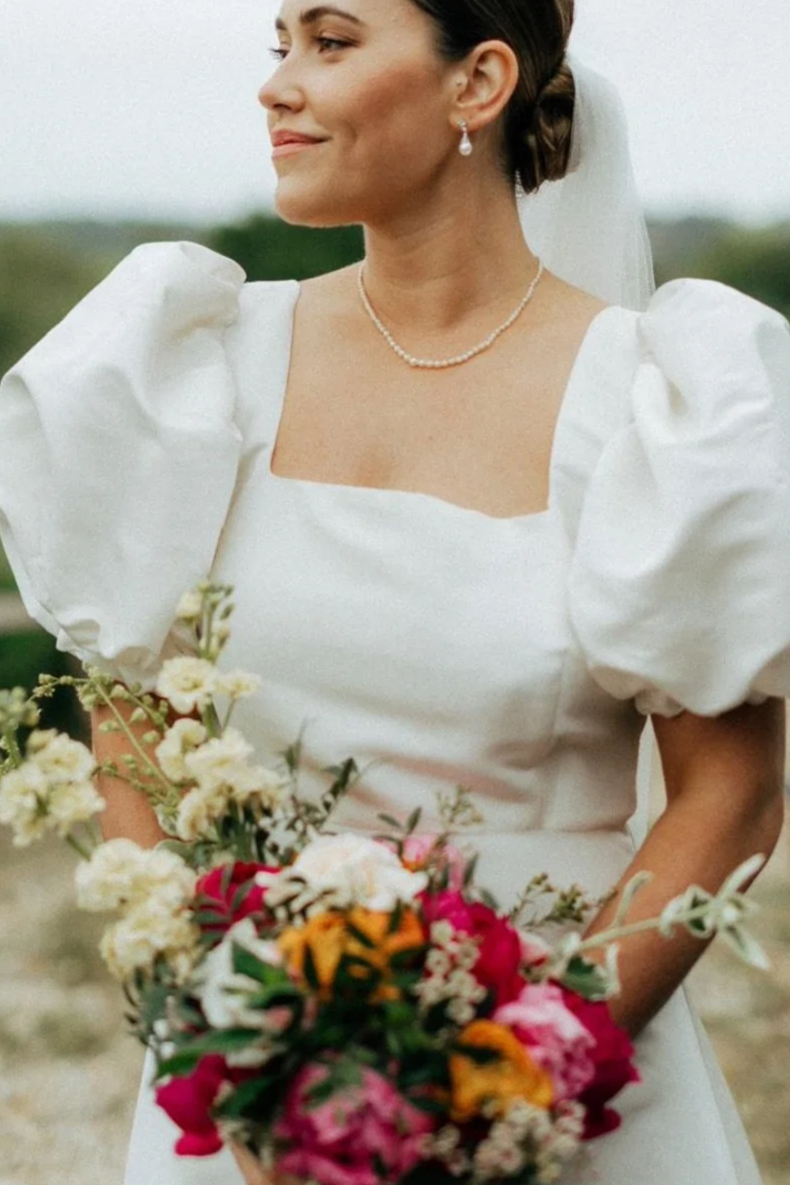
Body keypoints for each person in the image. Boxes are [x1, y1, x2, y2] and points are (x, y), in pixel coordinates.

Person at [0, 0, 787, 1182]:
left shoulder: (658, 403)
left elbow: (729, 792)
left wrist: (514, 1082)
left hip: (558, 1089)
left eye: (330, 41)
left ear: (477, 82)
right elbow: (133, 722)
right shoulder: (198, 366)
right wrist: (215, 1018)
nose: (275, 85)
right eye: (279, 46)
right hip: (261, 1079)